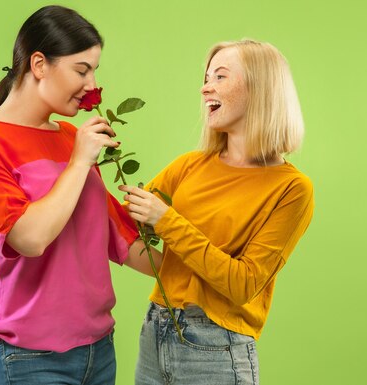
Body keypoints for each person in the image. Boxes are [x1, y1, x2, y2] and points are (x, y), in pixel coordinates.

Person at [0, 5, 155, 385]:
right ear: (40, 64)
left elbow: (125, 241)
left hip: (99, 351)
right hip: (27, 358)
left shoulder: (70, 138)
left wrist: (209, 254)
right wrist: (79, 163)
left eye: (94, 70)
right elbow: (29, 237)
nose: (92, 84)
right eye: (82, 70)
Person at [119, 39, 314, 385]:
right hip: (156, 332)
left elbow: (244, 284)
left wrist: (166, 221)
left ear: (261, 89)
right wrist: (79, 168)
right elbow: (123, 231)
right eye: (207, 77)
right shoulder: (190, 166)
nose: (205, 86)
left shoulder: (291, 189)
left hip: (217, 349)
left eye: (220, 77)